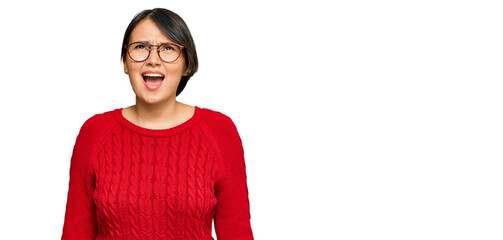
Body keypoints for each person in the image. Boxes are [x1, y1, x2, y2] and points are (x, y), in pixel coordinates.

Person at [61, 8, 254, 240]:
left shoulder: (220, 131)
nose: (153, 60)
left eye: (168, 49)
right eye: (141, 47)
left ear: (187, 65)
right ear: (125, 63)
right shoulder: (94, 133)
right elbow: (75, 233)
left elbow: (237, 232)